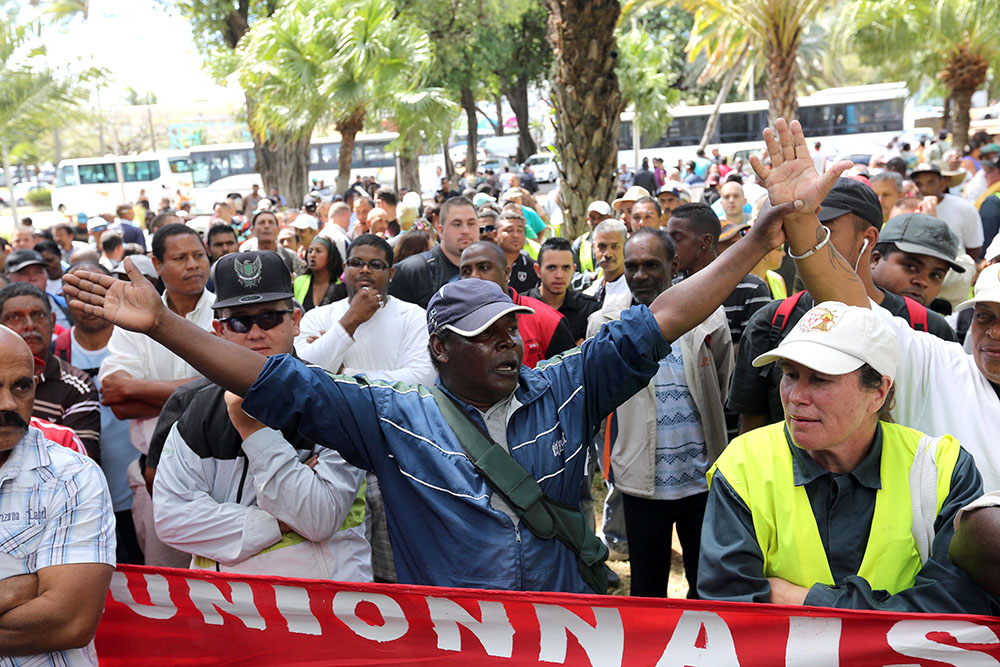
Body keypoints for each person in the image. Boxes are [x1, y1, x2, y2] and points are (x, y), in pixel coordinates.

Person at [64, 183, 800, 592]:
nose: (510, 343)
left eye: (512, 329)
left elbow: (663, 316)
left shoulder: (566, 387)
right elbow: (271, 378)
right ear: (441, 350)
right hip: (451, 643)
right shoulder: (389, 415)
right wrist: (162, 322)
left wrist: (761, 233)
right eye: (489, 336)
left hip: (562, 634)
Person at [151, 251, 370, 578]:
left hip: (324, 606)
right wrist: (278, 520)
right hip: (227, 610)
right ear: (218, 331)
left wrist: (254, 430)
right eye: (239, 321)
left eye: (269, 317)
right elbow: (171, 520)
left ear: (295, 321)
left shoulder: (338, 399)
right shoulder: (192, 404)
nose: (255, 333)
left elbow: (318, 518)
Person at [729, 178, 957, 436]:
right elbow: (751, 433)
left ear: (867, 239)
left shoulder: (926, 330)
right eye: (792, 375)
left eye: (821, 230)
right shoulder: (771, 322)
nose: (800, 241)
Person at [594, 227, 732, 599]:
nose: (640, 275)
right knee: (647, 584)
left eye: (651, 265)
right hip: (640, 480)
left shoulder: (707, 315)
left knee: (705, 582)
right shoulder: (606, 324)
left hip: (701, 478)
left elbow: (721, 380)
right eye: (633, 266)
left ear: (673, 265)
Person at [296, 235, 434, 583]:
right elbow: (307, 373)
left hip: (397, 458)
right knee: (349, 572)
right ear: (344, 270)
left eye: (376, 265)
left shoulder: (412, 316)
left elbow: (420, 381)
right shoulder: (319, 317)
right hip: (334, 459)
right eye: (357, 262)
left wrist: (344, 377)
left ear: (391, 272)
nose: (365, 271)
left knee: (396, 572)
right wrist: (351, 321)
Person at [98, 223, 215, 567]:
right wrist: (206, 387)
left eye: (198, 255)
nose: (193, 264)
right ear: (157, 264)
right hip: (156, 475)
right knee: (168, 585)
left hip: (221, 470)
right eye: (180, 257)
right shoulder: (135, 320)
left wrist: (145, 393)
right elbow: (117, 397)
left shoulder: (226, 311)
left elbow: (240, 387)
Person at [0, 327, 116, 664]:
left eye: (21, 386)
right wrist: (18, 588)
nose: (8, 404)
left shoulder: (72, 476)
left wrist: (54, 601)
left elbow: (70, 621)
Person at [54, 261, 143, 564]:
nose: (90, 300)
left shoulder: (141, 344)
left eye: (99, 289)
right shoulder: (53, 354)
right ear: (65, 297)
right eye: (80, 290)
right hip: (78, 505)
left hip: (138, 493)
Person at [0, 282, 101, 460]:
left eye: (38, 315)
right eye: (15, 317)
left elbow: (77, 461)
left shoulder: (78, 386)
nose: (30, 325)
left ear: (53, 322)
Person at [459, 241, 575, 369]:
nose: (475, 276)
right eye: (466, 271)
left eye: (484, 268)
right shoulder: (456, 323)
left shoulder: (549, 321)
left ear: (506, 273)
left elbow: (569, 377)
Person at [389, 196, 479, 309]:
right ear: (441, 230)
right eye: (457, 224)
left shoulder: (491, 267)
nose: (465, 231)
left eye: (471, 224)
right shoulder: (412, 271)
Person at [870, 213, 965, 308]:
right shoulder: (857, 310)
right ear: (876, 259)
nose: (922, 282)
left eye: (935, 275)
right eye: (911, 267)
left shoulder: (930, 321)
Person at [528, 237, 599, 344]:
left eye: (566, 268)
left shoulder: (589, 308)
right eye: (551, 268)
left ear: (573, 270)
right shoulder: (521, 308)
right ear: (538, 270)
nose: (559, 275)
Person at [909, 163, 983, 259]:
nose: (924, 189)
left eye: (930, 182)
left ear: (942, 183)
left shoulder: (964, 208)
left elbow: (974, 249)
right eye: (919, 184)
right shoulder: (909, 209)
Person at [5, 249, 74, 331]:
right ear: (8, 278)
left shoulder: (66, 305)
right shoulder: (2, 309)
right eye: (24, 273)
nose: (33, 278)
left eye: (38, 272)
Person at [239, 209, 303, 275]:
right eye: (262, 222)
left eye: (271, 222)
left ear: (278, 230)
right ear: (253, 230)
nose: (267, 226)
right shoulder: (245, 258)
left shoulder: (290, 256)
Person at [583, 219, 630, 306]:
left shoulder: (635, 292)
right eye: (602, 246)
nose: (607, 254)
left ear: (626, 247)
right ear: (594, 248)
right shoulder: (589, 293)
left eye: (614, 246)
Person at [293, 237, 347, 312]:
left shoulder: (341, 286)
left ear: (330, 256)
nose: (312, 255)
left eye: (318, 251)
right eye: (310, 251)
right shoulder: (299, 282)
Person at [494, 206, 539, 294]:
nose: (515, 235)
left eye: (520, 230)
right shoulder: (485, 265)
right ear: (495, 235)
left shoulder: (534, 268)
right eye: (509, 230)